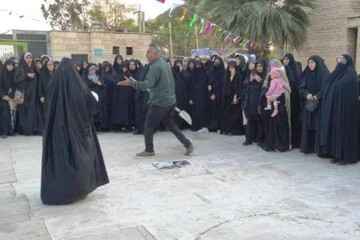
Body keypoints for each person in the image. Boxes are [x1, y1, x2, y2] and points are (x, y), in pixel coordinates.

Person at [41, 58, 109, 205]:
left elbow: (47, 106)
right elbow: (90, 104)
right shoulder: (78, 85)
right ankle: (78, 189)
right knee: (79, 157)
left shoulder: (52, 84)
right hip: (78, 129)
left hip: (56, 130)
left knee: (61, 158)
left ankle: (63, 190)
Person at [119, 44, 194, 157]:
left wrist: (131, 83)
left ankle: (149, 150)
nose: (146, 55)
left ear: (155, 54)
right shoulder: (165, 65)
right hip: (170, 101)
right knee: (170, 124)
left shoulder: (154, 67)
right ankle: (187, 144)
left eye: (148, 52)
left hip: (160, 102)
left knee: (148, 125)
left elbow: (147, 84)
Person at [318, 54, 359, 165]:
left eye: (341, 61)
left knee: (345, 132)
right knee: (336, 131)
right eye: (338, 61)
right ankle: (337, 154)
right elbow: (328, 82)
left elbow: (340, 87)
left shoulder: (351, 74)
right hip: (337, 109)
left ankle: (346, 157)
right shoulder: (339, 73)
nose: (339, 64)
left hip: (347, 110)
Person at [299, 55, 330, 154]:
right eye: (309, 63)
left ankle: (317, 148)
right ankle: (307, 147)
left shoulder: (323, 75)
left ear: (317, 64)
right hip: (308, 104)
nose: (310, 65)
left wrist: (318, 96)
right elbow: (301, 87)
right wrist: (306, 94)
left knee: (317, 125)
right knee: (307, 125)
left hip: (320, 105)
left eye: (312, 62)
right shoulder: (306, 74)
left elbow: (326, 87)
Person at [259, 60, 290, 152]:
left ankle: (280, 145)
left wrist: (276, 97)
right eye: (270, 66)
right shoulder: (269, 76)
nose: (271, 67)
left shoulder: (282, 76)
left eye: (273, 65)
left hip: (280, 106)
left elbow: (287, 90)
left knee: (280, 125)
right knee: (270, 125)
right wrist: (267, 95)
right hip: (270, 105)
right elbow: (264, 88)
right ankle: (271, 144)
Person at [15, 52, 39, 136]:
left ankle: (33, 129)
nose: (29, 60)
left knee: (32, 111)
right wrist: (26, 75)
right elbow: (16, 80)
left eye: (30, 58)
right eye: (27, 58)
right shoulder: (20, 67)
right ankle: (26, 130)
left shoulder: (33, 67)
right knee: (24, 112)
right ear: (24, 59)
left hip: (33, 93)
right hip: (24, 93)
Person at [243, 60, 266, 145]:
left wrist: (260, 81)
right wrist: (251, 80)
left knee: (259, 122)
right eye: (258, 67)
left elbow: (266, 86)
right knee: (250, 121)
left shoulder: (265, 76)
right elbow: (245, 83)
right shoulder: (252, 74)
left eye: (261, 66)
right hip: (250, 102)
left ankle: (259, 139)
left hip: (260, 103)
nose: (259, 68)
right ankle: (248, 139)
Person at [282, 53, 302, 148]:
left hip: (293, 98)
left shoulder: (295, 70)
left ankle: (294, 141)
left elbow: (295, 83)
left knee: (293, 119)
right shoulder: (282, 70)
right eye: (284, 59)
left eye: (287, 59)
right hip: (285, 97)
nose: (285, 61)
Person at [221, 60, 244, 136]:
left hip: (235, 98)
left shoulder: (238, 75)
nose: (231, 69)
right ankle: (227, 129)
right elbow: (225, 86)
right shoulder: (226, 75)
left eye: (232, 68)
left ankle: (234, 130)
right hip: (227, 98)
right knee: (227, 114)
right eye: (229, 68)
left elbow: (238, 87)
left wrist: (236, 95)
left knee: (234, 115)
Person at [83, 64, 108, 131]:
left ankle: (98, 126)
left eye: (94, 69)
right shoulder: (85, 77)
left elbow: (104, 87)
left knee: (98, 111)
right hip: (88, 96)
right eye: (91, 69)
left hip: (98, 96)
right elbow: (84, 85)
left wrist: (100, 84)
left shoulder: (98, 77)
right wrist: (92, 82)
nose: (93, 71)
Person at [189, 60, 208, 132]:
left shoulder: (205, 74)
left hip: (203, 96)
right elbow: (190, 86)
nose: (198, 67)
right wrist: (190, 98)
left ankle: (202, 126)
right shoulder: (192, 74)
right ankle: (196, 126)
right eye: (196, 66)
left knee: (202, 111)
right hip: (194, 96)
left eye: (199, 66)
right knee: (195, 111)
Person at [207, 56, 225, 132]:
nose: (216, 62)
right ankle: (213, 127)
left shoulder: (223, 72)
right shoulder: (211, 72)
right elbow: (209, 84)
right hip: (212, 94)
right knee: (213, 110)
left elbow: (222, 83)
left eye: (218, 61)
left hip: (221, 94)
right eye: (215, 61)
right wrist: (211, 93)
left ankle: (220, 126)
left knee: (220, 110)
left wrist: (213, 88)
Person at [0, 59, 16, 138]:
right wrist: (3, 95)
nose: (10, 67)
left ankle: (10, 131)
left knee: (10, 115)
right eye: (9, 65)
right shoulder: (1, 73)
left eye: (12, 65)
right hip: (2, 97)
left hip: (10, 97)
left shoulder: (13, 74)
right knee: (4, 115)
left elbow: (14, 86)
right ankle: (4, 132)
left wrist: (10, 94)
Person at [38, 59, 55, 133]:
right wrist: (41, 96)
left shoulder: (55, 74)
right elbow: (39, 86)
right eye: (49, 65)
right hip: (45, 97)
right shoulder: (42, 74)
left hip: (54, 96)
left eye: (52, 65)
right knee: (46, 113)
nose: (51, 66)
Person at [172, 59, 190, 129]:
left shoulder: (184, 72)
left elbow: (187, 78)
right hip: (175, 94)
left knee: (182, 109)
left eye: (180, 64)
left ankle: (182, 124)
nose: (178, 65)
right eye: (177, 64)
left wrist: (182, 71)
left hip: (182, 94)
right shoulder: (172, 72)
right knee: (175, 110)